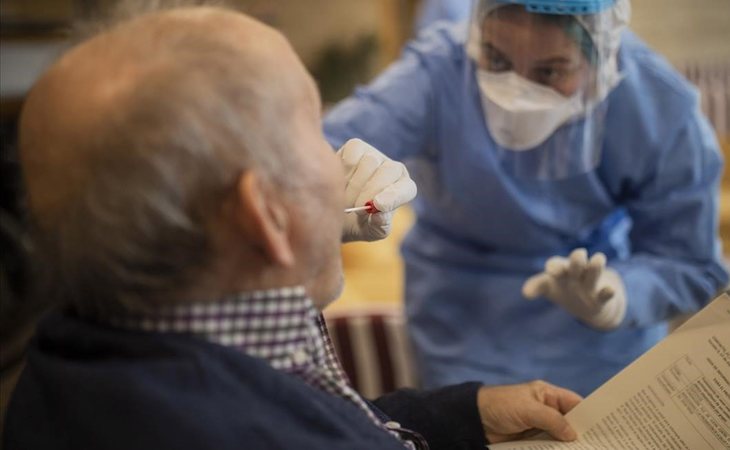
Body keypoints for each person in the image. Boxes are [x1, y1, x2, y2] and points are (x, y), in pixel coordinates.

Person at [3, 5, 584, 449]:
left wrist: (467, 415)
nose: (343, 152)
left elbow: (328, 416)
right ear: (266, 215)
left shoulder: (86, 356)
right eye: (316, 126)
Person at [323, 0, 729, 396]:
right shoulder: (438, 73)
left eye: (551, 70)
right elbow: (313, 152)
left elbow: (691, 260)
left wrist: (624, 294)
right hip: (463, 329)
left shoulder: (658, 107)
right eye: (496, 60)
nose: (516, 92)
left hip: (605, 349)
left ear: (602, 54)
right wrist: (335, 187)